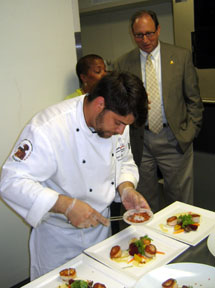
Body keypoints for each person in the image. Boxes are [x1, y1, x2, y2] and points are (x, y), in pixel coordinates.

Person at [0, 71, 149, 280]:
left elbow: (124, 159)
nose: (121, 130)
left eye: (126, 125)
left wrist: (126, 188)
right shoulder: (49, 127)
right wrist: (66, 205)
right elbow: (10, 182)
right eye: (118, 123)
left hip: (100, 232)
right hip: (57, 239)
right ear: (99, 104)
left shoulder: (117, 120)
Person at [114, 10, 204, 213]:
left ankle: (183, 242)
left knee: (181, 202)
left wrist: (189, 133)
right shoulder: (123, 63)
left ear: (158, 29)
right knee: (144, 201)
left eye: (150, 33)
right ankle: (152, 242)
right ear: (132, 34)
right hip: (140, 141)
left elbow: (194, 101)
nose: (145, 39)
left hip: (174, 138)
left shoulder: (180, 57)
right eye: (139, 35)